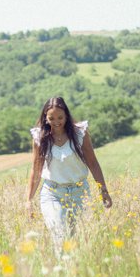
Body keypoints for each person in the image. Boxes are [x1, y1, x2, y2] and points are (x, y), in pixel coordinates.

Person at [26, 97, 112, 249]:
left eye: (60, 117)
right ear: (45, 117)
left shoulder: (80, 134)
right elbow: (36, 169)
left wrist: (103, 190)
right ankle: (61, 269)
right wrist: (28, 200)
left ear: (66, 116)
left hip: (79, 192)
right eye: (51, 118)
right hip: (52, 193)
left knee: (74, 238)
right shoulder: (40, 138)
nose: (56, 122)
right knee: (59, 234)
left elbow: (93, 163)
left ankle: (72, 270)